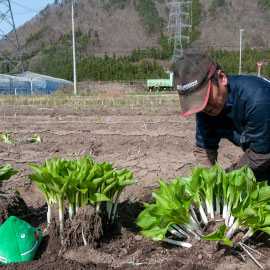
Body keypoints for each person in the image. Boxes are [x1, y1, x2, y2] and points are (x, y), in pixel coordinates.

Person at [174, 52, 270, 181]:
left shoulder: (257, 97)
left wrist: (226, 178)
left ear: (222, 78)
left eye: (205, 98)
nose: (204, 107)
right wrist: (208, 185)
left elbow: (260, 155)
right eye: (197, 103)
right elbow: (205, 149)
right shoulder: (205, 110)